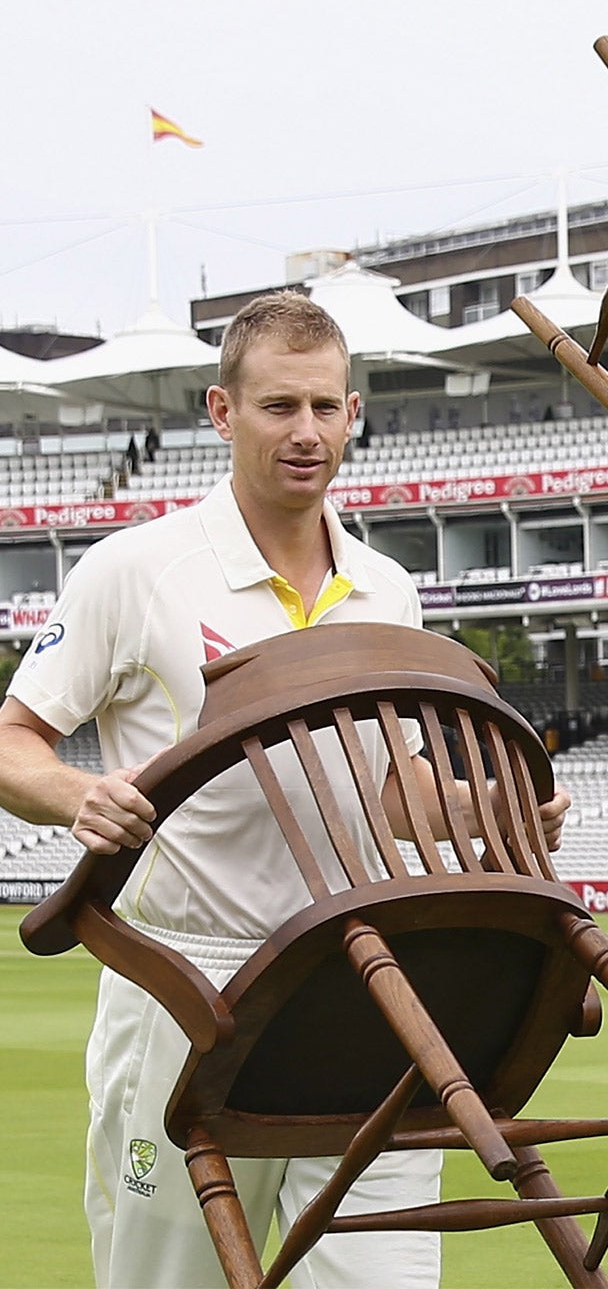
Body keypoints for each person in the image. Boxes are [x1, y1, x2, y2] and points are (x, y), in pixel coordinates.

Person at [0, 292, 570, 1289]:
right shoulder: (137, 571)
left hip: (360, 978)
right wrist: (78, 795)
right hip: (185, 982)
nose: (304, 434)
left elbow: (390, 792)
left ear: (353, 413)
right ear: (222, 412)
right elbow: (14, 741)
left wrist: (487, 815)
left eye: (324, 408)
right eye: (277, 408)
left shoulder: (388, 587)